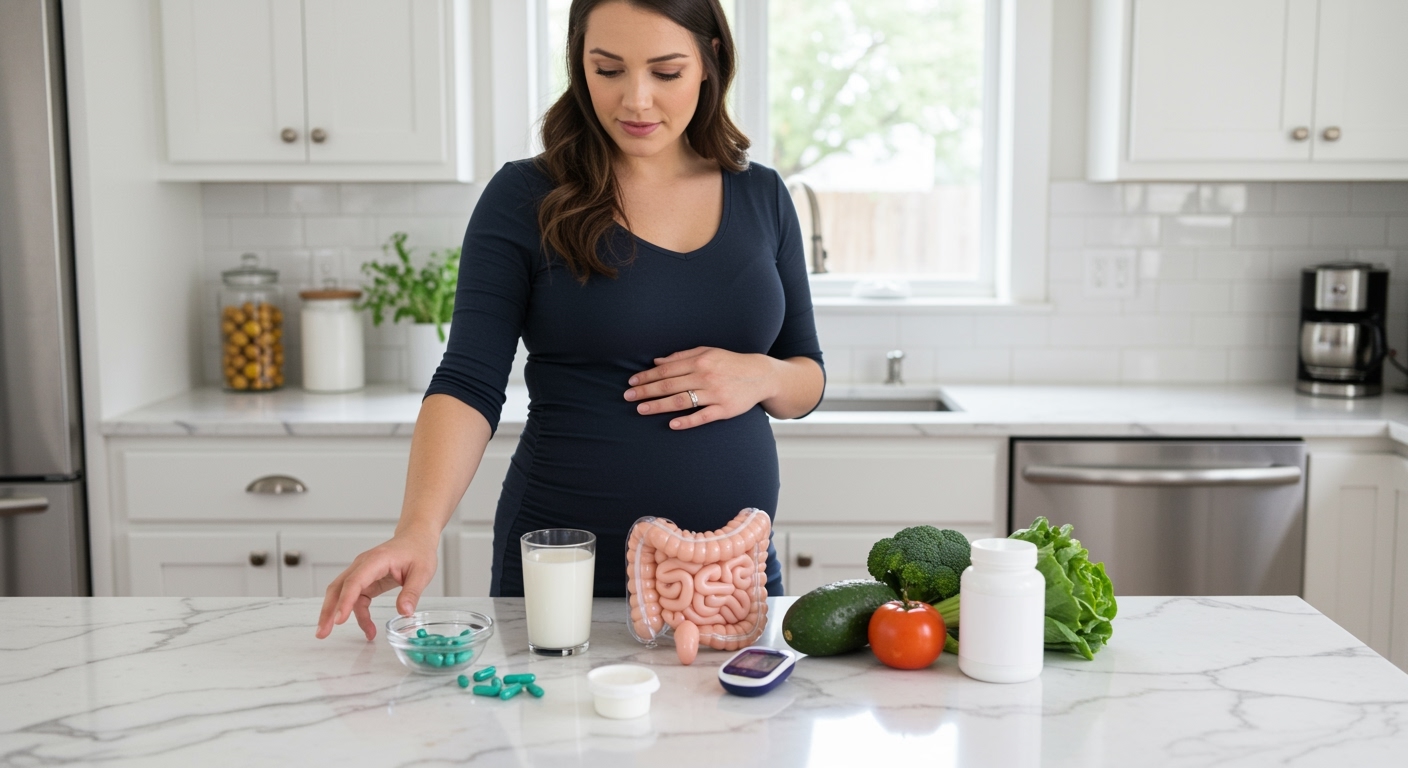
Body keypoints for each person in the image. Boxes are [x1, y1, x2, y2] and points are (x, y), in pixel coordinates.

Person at [316, 0, 824, 641]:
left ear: (710, 61)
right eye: (607, 69)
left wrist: (760, 376)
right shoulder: (527, 197)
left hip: (730, 576)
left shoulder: (763, 195)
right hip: (565, 573)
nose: (635, 100)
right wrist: (417, 529)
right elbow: (469, 379)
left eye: (665, 73)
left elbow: (807, 374)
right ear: (578, 64)